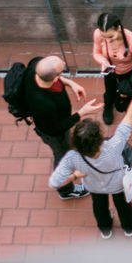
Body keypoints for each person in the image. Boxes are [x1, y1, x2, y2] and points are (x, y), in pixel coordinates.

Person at [49, 68, 132, 239]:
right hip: (117, 183)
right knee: (123, 205)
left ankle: (105, 229)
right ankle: (129, 227)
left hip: (94, 186)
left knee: (99, 206)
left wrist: (75, 175)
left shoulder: (73, 158)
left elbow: (55, 182)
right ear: (99, 138)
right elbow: (131, 113)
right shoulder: (114, 146)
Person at [24, 55, 96, 200]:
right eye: (61, 71)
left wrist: (70, 83)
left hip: (55, 123)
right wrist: (81, 113)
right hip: (54, 134)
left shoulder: (36, 65)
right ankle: (65, 190)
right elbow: (55, 129)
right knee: (62, 156)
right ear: (56, 77)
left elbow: (52, 76)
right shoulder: (43, 105)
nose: (64, 62)